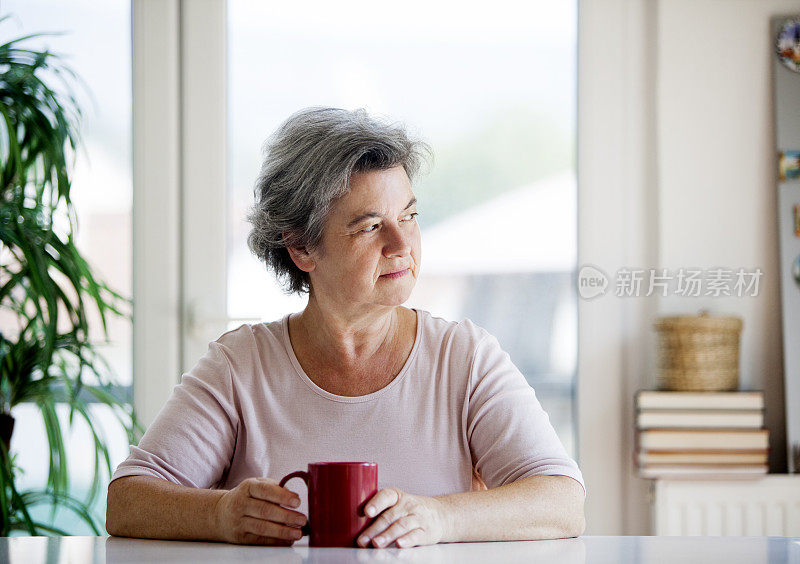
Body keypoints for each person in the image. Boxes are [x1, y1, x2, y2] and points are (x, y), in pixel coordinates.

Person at [106, 107, 586, 548]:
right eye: (370, 226)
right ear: (301, 250)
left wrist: (440, 519)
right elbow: (126, 501)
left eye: (409, 216)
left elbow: (564, 503)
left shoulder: (465, 357)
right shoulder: (241, 365)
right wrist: (221, 514)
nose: (402, 243)